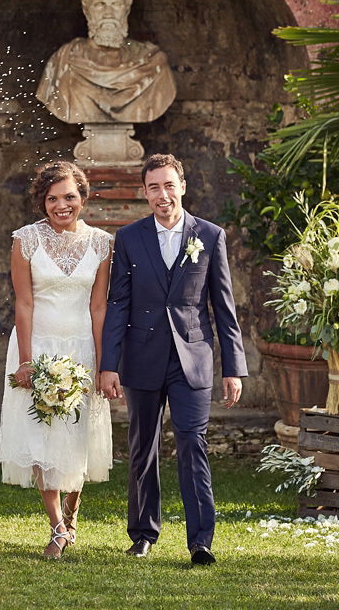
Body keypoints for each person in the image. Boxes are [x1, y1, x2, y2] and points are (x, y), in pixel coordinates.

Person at [99, 153, 248, 565]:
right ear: (144, 193)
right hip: (141, 358)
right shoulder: (129, 237)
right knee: (142, 447)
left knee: (191, 444)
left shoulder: (211, 236)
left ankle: (201, 541)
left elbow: (224, 308)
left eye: (168, 185)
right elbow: (118, 305)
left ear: (182, 186)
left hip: (193, 360)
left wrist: (233, 369)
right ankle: (144, 534)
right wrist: (108, 365)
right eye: (153, 187)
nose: (162, 195)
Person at [0, 161, 114, 559]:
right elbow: (24, 301)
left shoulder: (102, 243)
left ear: (82, 196)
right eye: (52, 198)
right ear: (41, 202)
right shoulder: (25, 240)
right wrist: (26, 361)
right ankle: (57, 526)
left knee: (77, 437)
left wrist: (101, 363)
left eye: (69, 196)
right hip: (38, 345)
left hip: (82, 347)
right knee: (40, 438)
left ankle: (73, 513)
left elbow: (99, 307)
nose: (61, 205)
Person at [35, 0, 176, 124]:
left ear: (126, 10)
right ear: (86, 10)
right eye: (100, 4)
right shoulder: (63, 61)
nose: (108, 13)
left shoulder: (153, 63)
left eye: (116, 4)